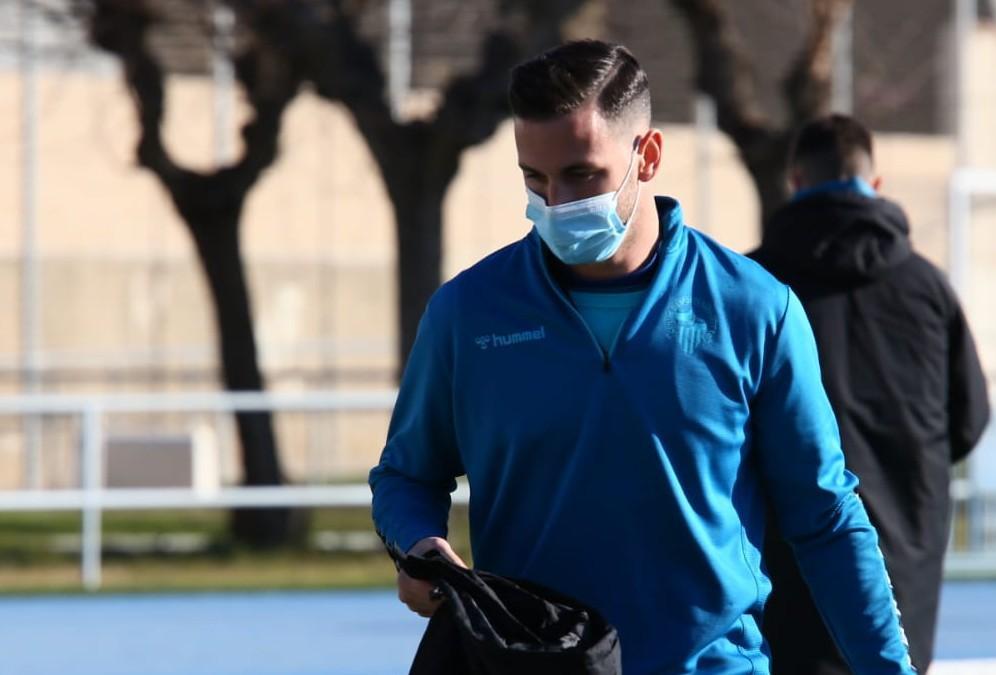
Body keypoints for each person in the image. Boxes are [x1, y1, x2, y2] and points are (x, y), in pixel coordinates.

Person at [370, 41, 915, 675]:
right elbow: (407, 475)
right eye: (534, 179)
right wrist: (418, 545)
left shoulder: (754, 309)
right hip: (534, 664)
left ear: (648, 156)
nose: (555, 201)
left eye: (581, 174)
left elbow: (824, 514)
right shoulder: (467, 314)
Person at [749, 114, 991, 675]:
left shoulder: (754, 287)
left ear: (794, 181)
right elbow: (969, 419)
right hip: (903, 556)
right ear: (875, 185)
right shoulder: (927, 288)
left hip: (786, 568)